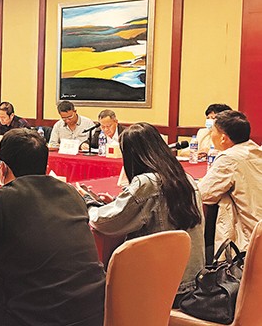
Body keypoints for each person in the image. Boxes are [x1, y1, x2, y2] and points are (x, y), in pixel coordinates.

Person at [0, 129, 105, 326]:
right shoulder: (71, 193)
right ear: (45, 166)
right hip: (95, 312)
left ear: (2, 167)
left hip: (37, 318)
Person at [79, 123, 204, 305]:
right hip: (192, 281)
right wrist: (118, 202)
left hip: (161, 288)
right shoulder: (185, 178)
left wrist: (88, 203)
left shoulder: (147, 182)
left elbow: (106, 223)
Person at [198, 110, 262, 251]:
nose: (210, 134)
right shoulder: (254, 150)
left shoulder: (229, 158)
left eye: (212, 131)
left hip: (249, 238)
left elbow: (204, 194)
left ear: (223, 138)